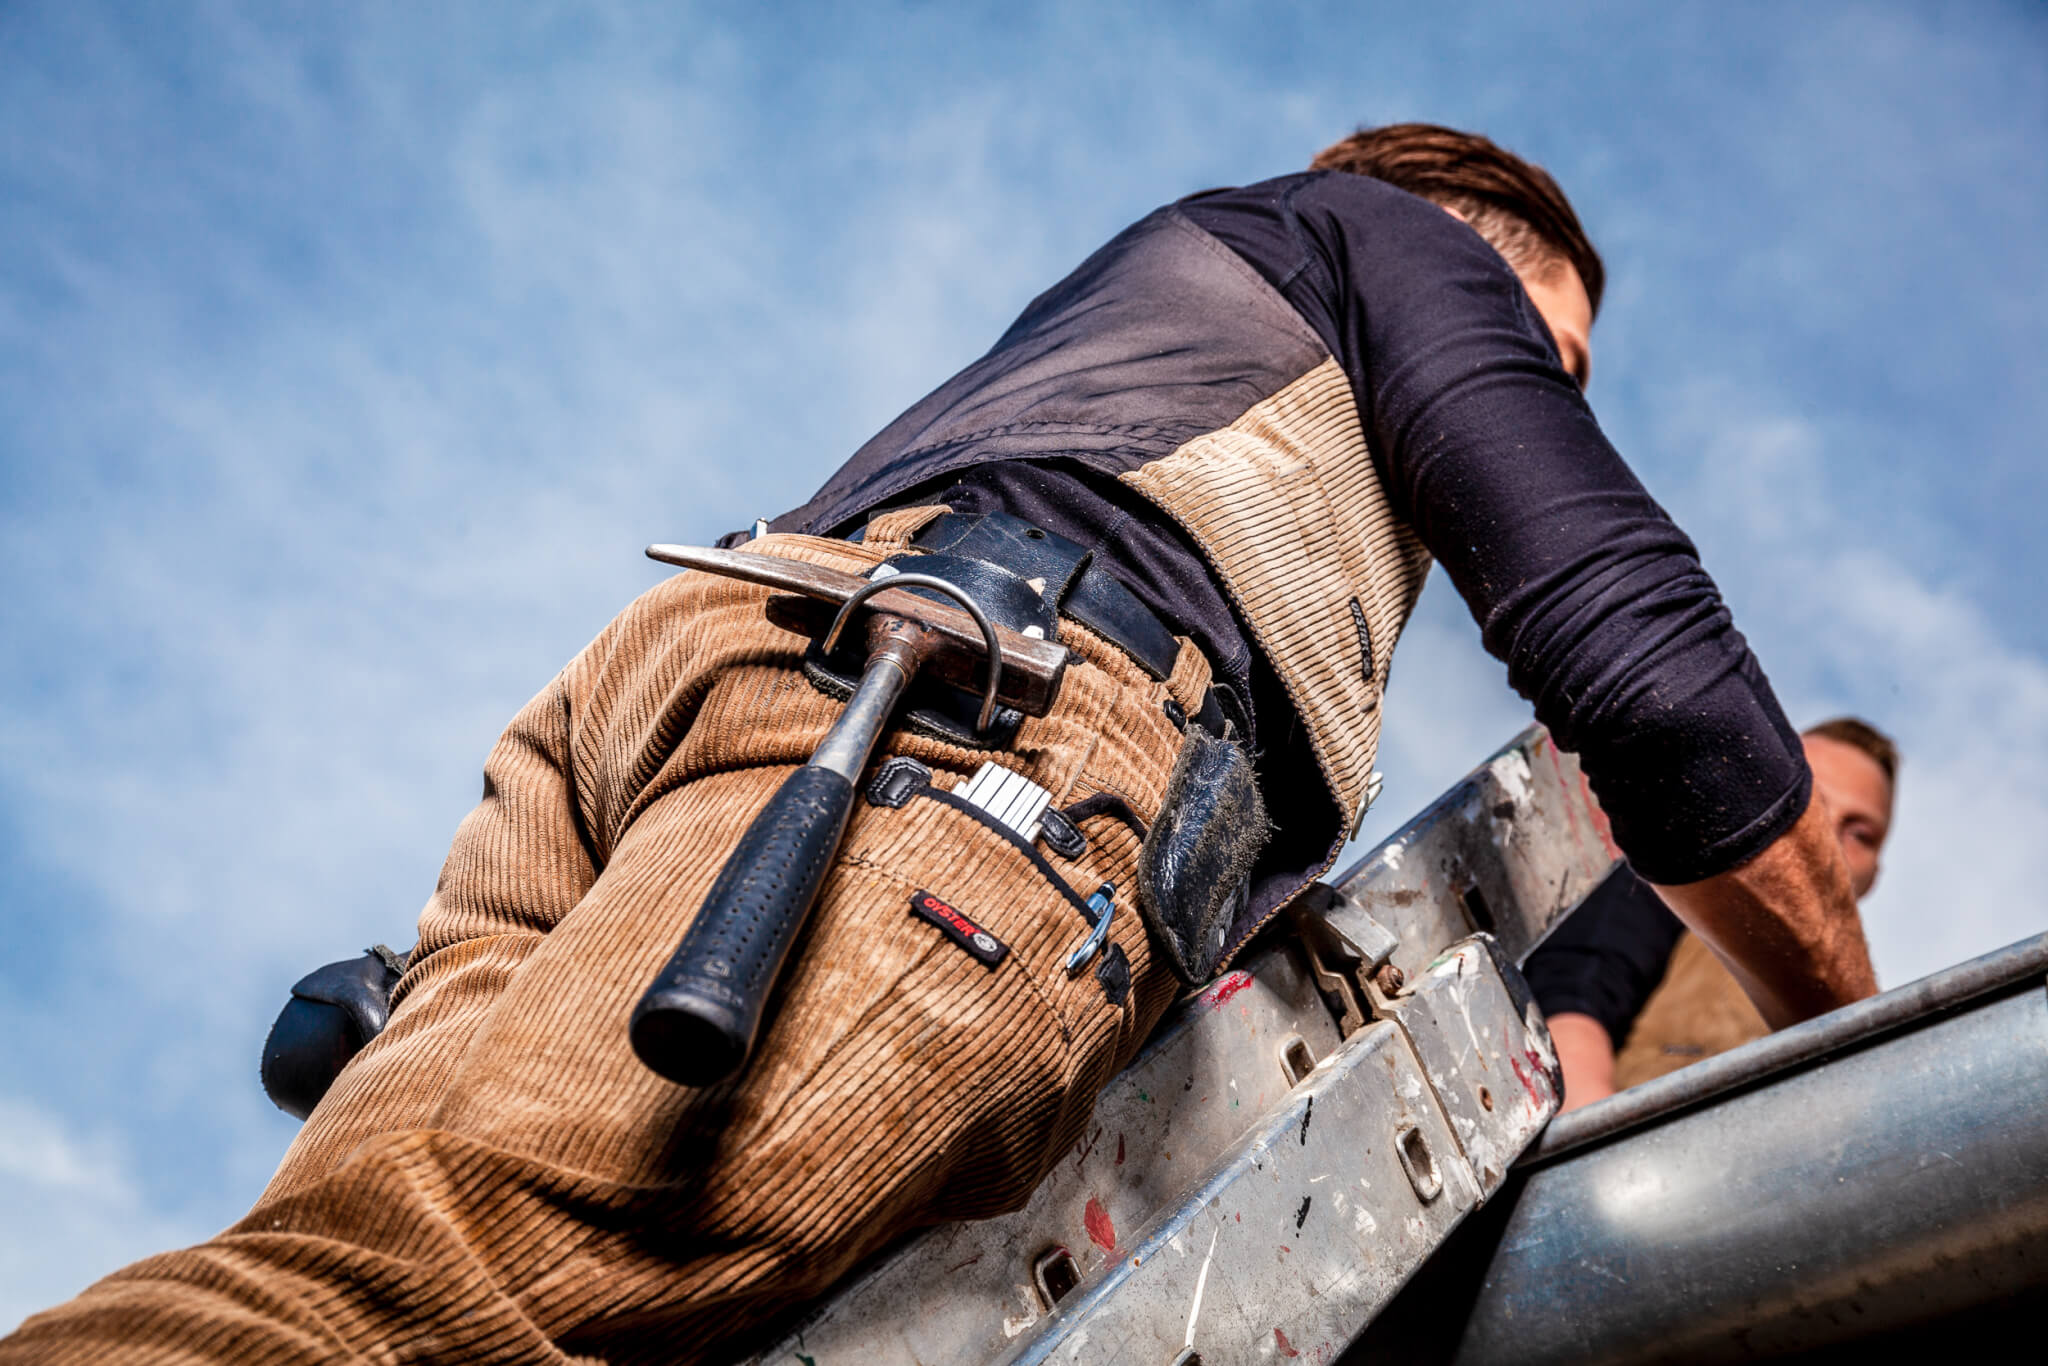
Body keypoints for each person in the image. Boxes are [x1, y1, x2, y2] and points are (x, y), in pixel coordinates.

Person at [2, 124, 1879, 1364]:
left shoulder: (1156, 300)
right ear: (1464, 243)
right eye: (1540, 353)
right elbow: (1637, 660)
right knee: (434, 1319)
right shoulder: (1379, 244)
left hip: (689, 704)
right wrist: (1853, 1042)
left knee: (321, 1286)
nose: (1538, 393)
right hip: (956, 731)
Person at [1532, 717, 1899, 1110]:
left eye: (1860, 833)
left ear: (1874, 876)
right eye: (1810, 804)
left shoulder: (1872, 1013)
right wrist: (1591, 1144)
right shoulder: (1679, 888)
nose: (1828, 836)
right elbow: (1572, 993)